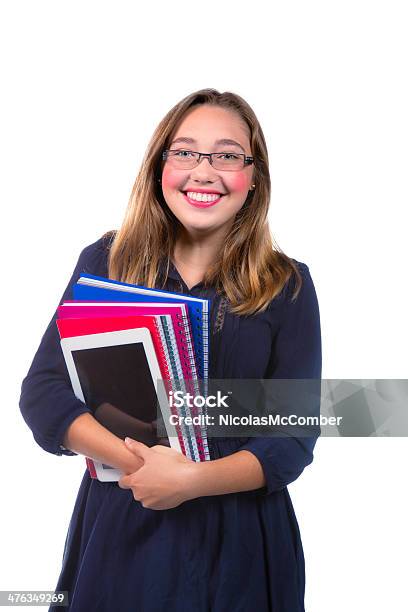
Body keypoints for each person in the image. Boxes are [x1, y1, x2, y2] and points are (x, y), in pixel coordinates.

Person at [19, 88, 322, 612]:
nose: (204, 171)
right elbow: (44, 393)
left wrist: (193, 480)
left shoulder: (287, 284)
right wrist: (141, 467)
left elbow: (292, 435)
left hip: (244, 542)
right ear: (160, 166)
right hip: (123, 527)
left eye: (227, 155)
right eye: (185, 152)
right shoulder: (106, 262)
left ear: (254, 178)